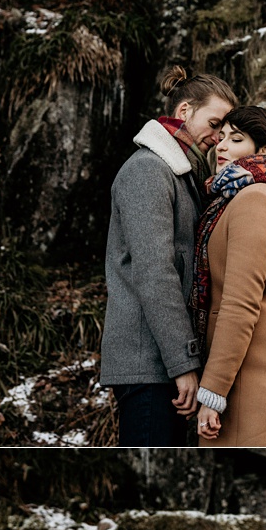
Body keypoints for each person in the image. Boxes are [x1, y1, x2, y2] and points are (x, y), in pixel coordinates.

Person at [99, 64, 236, 446]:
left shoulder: (180, 173)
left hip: (161, 364)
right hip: (151, 366)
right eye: (214, 123)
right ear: (184, 112)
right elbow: (155, 273)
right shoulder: (148, 170)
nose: (218, 136)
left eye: (227, 130)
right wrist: (184, 364)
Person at [191, 103, 266, 448]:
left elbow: (240, 304)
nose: (222, 146)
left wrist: (212, 391)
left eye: (236, 139)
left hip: (255, 375)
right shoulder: (246, 195)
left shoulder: (254, 199)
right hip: (247, 369)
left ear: (264, 150)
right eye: (222, 137)